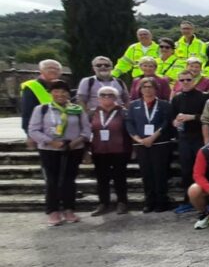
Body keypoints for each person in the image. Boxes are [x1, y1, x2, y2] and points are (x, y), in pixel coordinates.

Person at [28, 80, 89, 226]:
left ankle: (69, 209)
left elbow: (86, 130)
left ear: (68, 93)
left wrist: (77, 141)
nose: (60, 94)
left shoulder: (76, 109)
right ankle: (53, 211)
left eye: (63, 91)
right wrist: (51, 141)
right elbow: (33, 130)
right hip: (50, 150)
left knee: (69, 180)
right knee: (52, 181)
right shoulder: (41, 109)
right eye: (56, 91)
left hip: (73, 149)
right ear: (51, 93)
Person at [125, 77, 174, 213]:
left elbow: (166, 122)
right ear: (140, 89)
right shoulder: (134, 105)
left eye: (150, 87)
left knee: (160, 173)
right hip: (141, 145)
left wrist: (153, 137)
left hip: (160, 143)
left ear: (156, 89)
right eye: (144, 87)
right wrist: (138, 139)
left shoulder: (164, 105)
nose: (147, 89)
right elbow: (129, 123)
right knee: (146, 174)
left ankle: (161, 201)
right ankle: (149, 201)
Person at [169, 70, 209, 214]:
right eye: (182, 80)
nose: (185, 82)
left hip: (200, 137)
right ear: (178, 82)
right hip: (184, 138)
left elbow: (208, 118)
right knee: (186, 170)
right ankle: (188, 201)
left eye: (188, 80)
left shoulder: (203, 97)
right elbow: (172, 118)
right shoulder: (176, 98)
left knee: (204, 170)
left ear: (194, 81)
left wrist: (191, 117)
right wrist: (175, 122)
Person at [88, 86, 131, 216]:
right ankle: (103, 203)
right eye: (103, 95)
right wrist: (86, 150)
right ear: (98, 98)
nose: (106, 97)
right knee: (102, 178)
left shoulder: (124, 112)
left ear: (116, 98)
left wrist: (133, 148)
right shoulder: (91, 113)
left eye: (110, 95)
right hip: (98, 150)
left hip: (120, 150)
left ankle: (122, 202)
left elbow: (130, 131)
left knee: (120, 177)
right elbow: (86, 131)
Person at [21, 59, 63, 149]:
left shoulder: (61, 86)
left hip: (59, 133)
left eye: (57, 69)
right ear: (41, 71)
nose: (53, 70)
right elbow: (27, 112)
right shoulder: (32, 86)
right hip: (41, 134)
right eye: (49, 68)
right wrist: (29, 135)